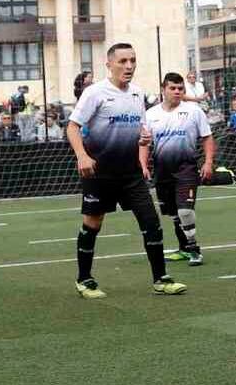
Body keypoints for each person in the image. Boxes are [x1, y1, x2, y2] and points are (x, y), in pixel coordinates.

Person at [69, 43, 187, 299]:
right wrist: (82, 156)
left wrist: (143, 141)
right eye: (123, 61)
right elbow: (72, 126)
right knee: (93, 223)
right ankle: (84, 279)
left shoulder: (137, 93)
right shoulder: (95, 93)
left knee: (152, 223)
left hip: (131, 175)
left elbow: (141, 132)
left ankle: (161, 279)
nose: (129, 66)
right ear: (109, 64)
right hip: (99, 173)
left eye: (132, 60)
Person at [143, 71, 214, 267]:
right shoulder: (150, 115)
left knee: (185, 211)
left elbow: (207, 137)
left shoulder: (194, 111)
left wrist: (208, 162)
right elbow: (144, 143)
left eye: (180, 88)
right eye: (172, 88)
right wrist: (142, 165)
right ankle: (183, 249)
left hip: (187, 170)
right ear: (163, 90)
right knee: (174, 213)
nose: (177, 92)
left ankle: (194, 249)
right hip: (162, 172)